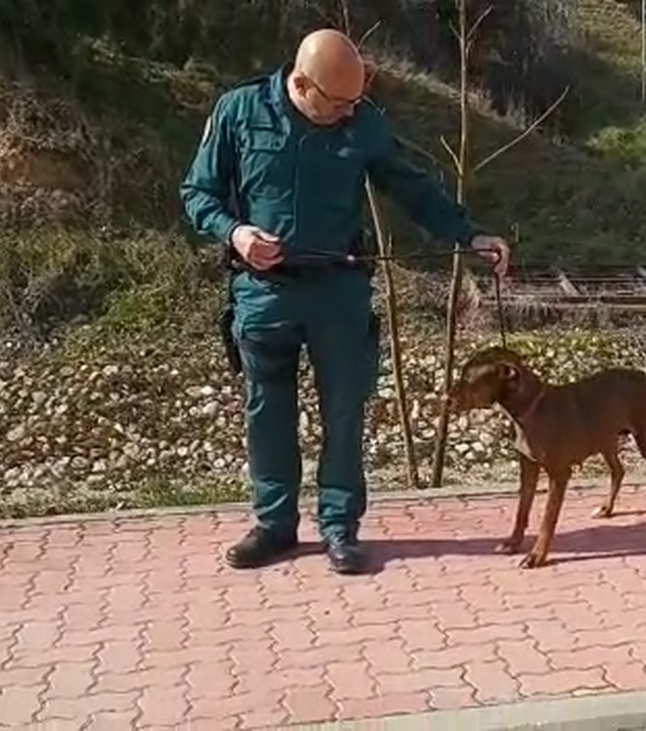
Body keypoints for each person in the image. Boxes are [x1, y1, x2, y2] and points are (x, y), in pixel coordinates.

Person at [180, 28, 510, 575]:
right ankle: (274, 526)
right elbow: (198, 194)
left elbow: (413, 188)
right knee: (268, 413)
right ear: (302, 84)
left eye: (356, 102)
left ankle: (339, 528)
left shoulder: (363, 122)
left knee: (344, 411)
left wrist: (468, 235)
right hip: (264, 294)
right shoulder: (238, 112)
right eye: (339, 103)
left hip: (340, 292)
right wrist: (236, 234)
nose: (349, 112)